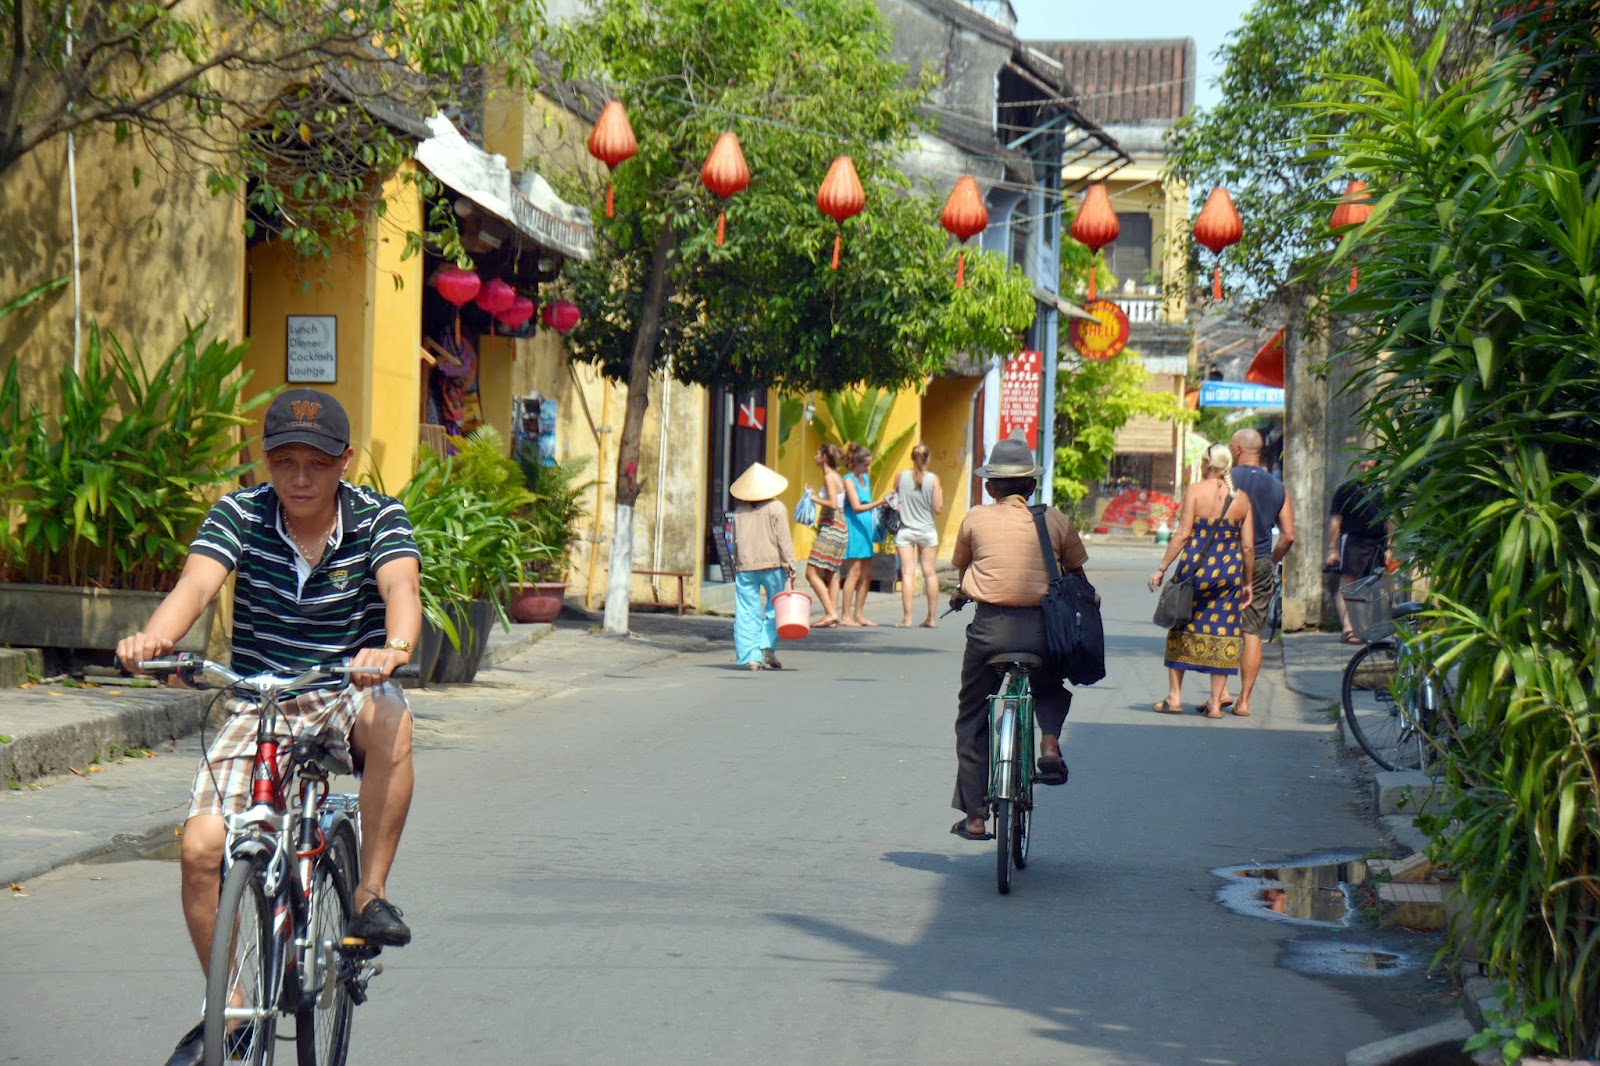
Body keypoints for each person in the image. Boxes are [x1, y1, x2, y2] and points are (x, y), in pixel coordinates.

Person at [115, 389, 421, 1066]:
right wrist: (155, 641)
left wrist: (391, 649)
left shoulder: (377, 518)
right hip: (261, 697)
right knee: (200, 850)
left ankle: (368, 894)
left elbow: (402, 589)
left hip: (347, 686)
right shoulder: (240, 514)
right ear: (267, 463)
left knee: (394, 718)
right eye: (285, 462)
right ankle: (227, 1017)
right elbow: (196, 587)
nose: (301, 478)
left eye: (316, 462)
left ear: (344, 461)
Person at [948, 432, 1089, 841]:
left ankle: (975, 817)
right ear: (1031, 486)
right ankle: (1048, 744)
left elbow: (964, 571)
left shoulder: (975, 517)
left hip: (989, 631)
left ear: (990, 487)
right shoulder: (1056, 520)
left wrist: (967, 590)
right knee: (1049, 684)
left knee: (973, 717)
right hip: (1043, 632)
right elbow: (1078, 575)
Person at [1148, 443, 1255, 718]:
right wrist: (1247, 583)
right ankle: (1216, 704)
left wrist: (1162, 568)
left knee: (1181, 625)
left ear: (1207, 464)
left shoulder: (1195, 491)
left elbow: (1183, 534)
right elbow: (1248, 548)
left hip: (1195, 570)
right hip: (1229, 574)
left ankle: (1174, 698)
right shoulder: (1242, 499)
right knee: (1224, 630)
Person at [1224, 428, 1295, 717]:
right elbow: (1288, 535)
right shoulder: (1278, 487)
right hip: (1261, 560)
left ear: (1239, 449)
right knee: (1251, 629)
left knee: (1220, 624)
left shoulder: (1225, 480)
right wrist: (1270, 560)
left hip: (1225, 559)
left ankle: (1221, 693)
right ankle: (1244, 701)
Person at [728, 461, 797, 671]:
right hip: (773, 565)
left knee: (746, 611)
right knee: (776, 607)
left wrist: (737, 564)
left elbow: (735, 541)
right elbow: (784, 540)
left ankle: (751, 657)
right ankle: (766, 647)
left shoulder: (739, 511)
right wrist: (791, 567)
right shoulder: (777, 508)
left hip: (745, 567)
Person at [1327, 459, 1392, 643]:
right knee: (1347, 586)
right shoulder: (1345, 491)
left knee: (1370, 587)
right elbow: (1335, 521)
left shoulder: (1382, 493)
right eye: (1362, 466)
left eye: (1369, 467)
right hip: (1352, 541)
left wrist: (1390, 548)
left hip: (1376, 544)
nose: (1364, 470)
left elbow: (1389, 522)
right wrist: (1332, 549)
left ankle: (1363, 628)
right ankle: (1348, 628)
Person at [893, 443, 945, 628]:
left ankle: (907, 618)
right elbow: (938, 509)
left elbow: (893, 498)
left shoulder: (901, 476)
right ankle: (931, 618)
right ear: (927, 459)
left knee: (907, 573)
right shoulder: (933, 479)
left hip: (905, 529)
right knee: (929, 573)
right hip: (926, 530)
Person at [839, 442, 888, 627]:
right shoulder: (848, 480)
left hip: (866, 528)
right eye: (865, 464)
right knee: (854, 572)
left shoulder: (865, 479)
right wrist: (878, 503)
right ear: (856, 463)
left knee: (867, 574)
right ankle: (845, 614)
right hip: (854, 526)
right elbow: (857, 507)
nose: (867, 468)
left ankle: (858, 613)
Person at [802, 443, 848, 628]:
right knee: (831, 573)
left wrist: (813, 498)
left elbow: (832, 503)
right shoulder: (837, 476)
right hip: (840, 527)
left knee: (811, 572)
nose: (815, 456)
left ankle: (830, 612)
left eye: (818, 453)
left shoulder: (829, 477)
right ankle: (832, 614)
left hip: (831, 527)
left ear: (824, 458)